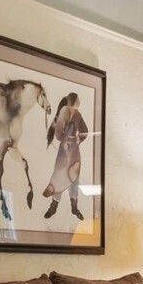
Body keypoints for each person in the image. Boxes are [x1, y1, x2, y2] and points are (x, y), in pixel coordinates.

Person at [41, 91, 89, 220]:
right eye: (78, 99)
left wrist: (79, 139)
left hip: (74, 151)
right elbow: (58, 132)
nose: (79, 102)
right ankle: (53, 206)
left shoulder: (77, 114)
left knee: (74, 177)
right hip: (64, 150)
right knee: (60, 176)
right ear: (73, 100)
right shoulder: (64, 111)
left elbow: (85, 131)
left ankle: (74, 207)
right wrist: (64, 140)